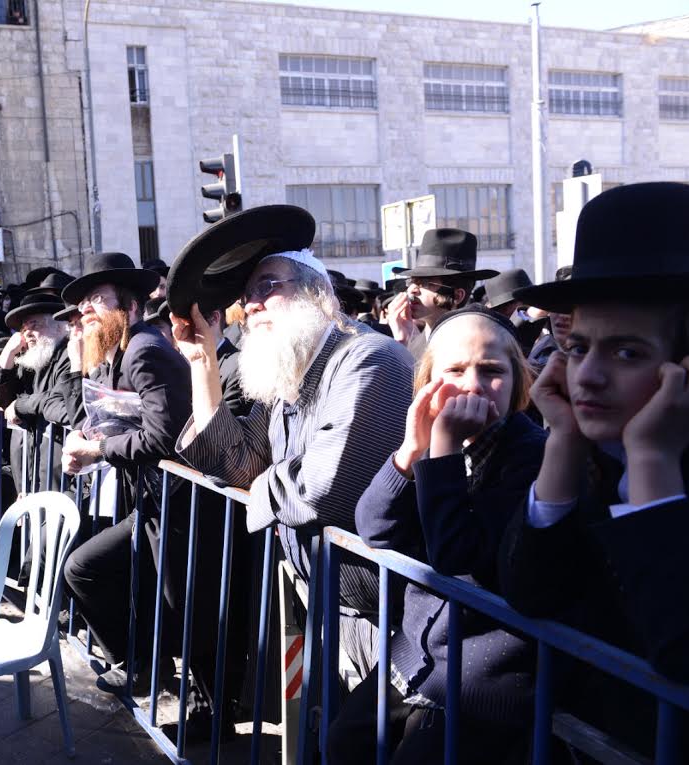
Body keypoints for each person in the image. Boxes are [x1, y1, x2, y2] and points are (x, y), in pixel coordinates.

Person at [169, 205, 413, 683]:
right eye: (247, 295)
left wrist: (261, 492)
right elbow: (237, 465)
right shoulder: (290, 377)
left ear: (317, 294)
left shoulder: (369, 360)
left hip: (391, 621)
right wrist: (203, 364)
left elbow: (322, 488)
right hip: (330, 603)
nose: (252, 304)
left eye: (268, 287)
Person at [497, 182, 689, 759]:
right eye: (579, 347)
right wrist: (563, 440)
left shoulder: (647, 449)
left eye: (628, 352)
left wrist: (653, 463)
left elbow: (683, 652)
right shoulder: (596, 449)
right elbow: (530, 591)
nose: (586, 377)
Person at [328, 305, 545, 764]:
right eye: (455, 370)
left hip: (482, 682)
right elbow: (374, 526)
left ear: (519, 381)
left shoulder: (531, 456)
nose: (472, 385)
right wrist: (411, 450)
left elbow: (457, 553)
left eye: (491, 371)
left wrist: (442, 448)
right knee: (343, 743)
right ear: (428, 380)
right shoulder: (435, 442)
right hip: (414, 657)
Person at [59, 252, 194, 703]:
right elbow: (122, 425)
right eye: (83, 304)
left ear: (130, 308)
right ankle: (140, 664)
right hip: (154, 503)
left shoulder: (145, 350)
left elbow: (162, 437)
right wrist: (87, 446)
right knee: (90, 569)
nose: (85, 311)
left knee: (184, 605)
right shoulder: (121, 353)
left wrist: (95, 449)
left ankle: (207, 707)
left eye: (97, 299)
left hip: (181, 505)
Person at [0, 292, 72, 592]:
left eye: (34, 324)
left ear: (58, 326)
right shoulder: (29, 360)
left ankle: (49, 602)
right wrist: (4, 364)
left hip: (54, 470)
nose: (27, 333)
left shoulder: (69, 355)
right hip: (23, 468)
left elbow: (58, 401)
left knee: (45, 540)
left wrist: (21, 406)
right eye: (23, 328)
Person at [386, 229, 498, 355]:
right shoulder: (412, 343)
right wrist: (404, 342)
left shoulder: (475, 346)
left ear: (457, 296)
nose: (411, 290)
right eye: (411, 282)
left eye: (425, 283)